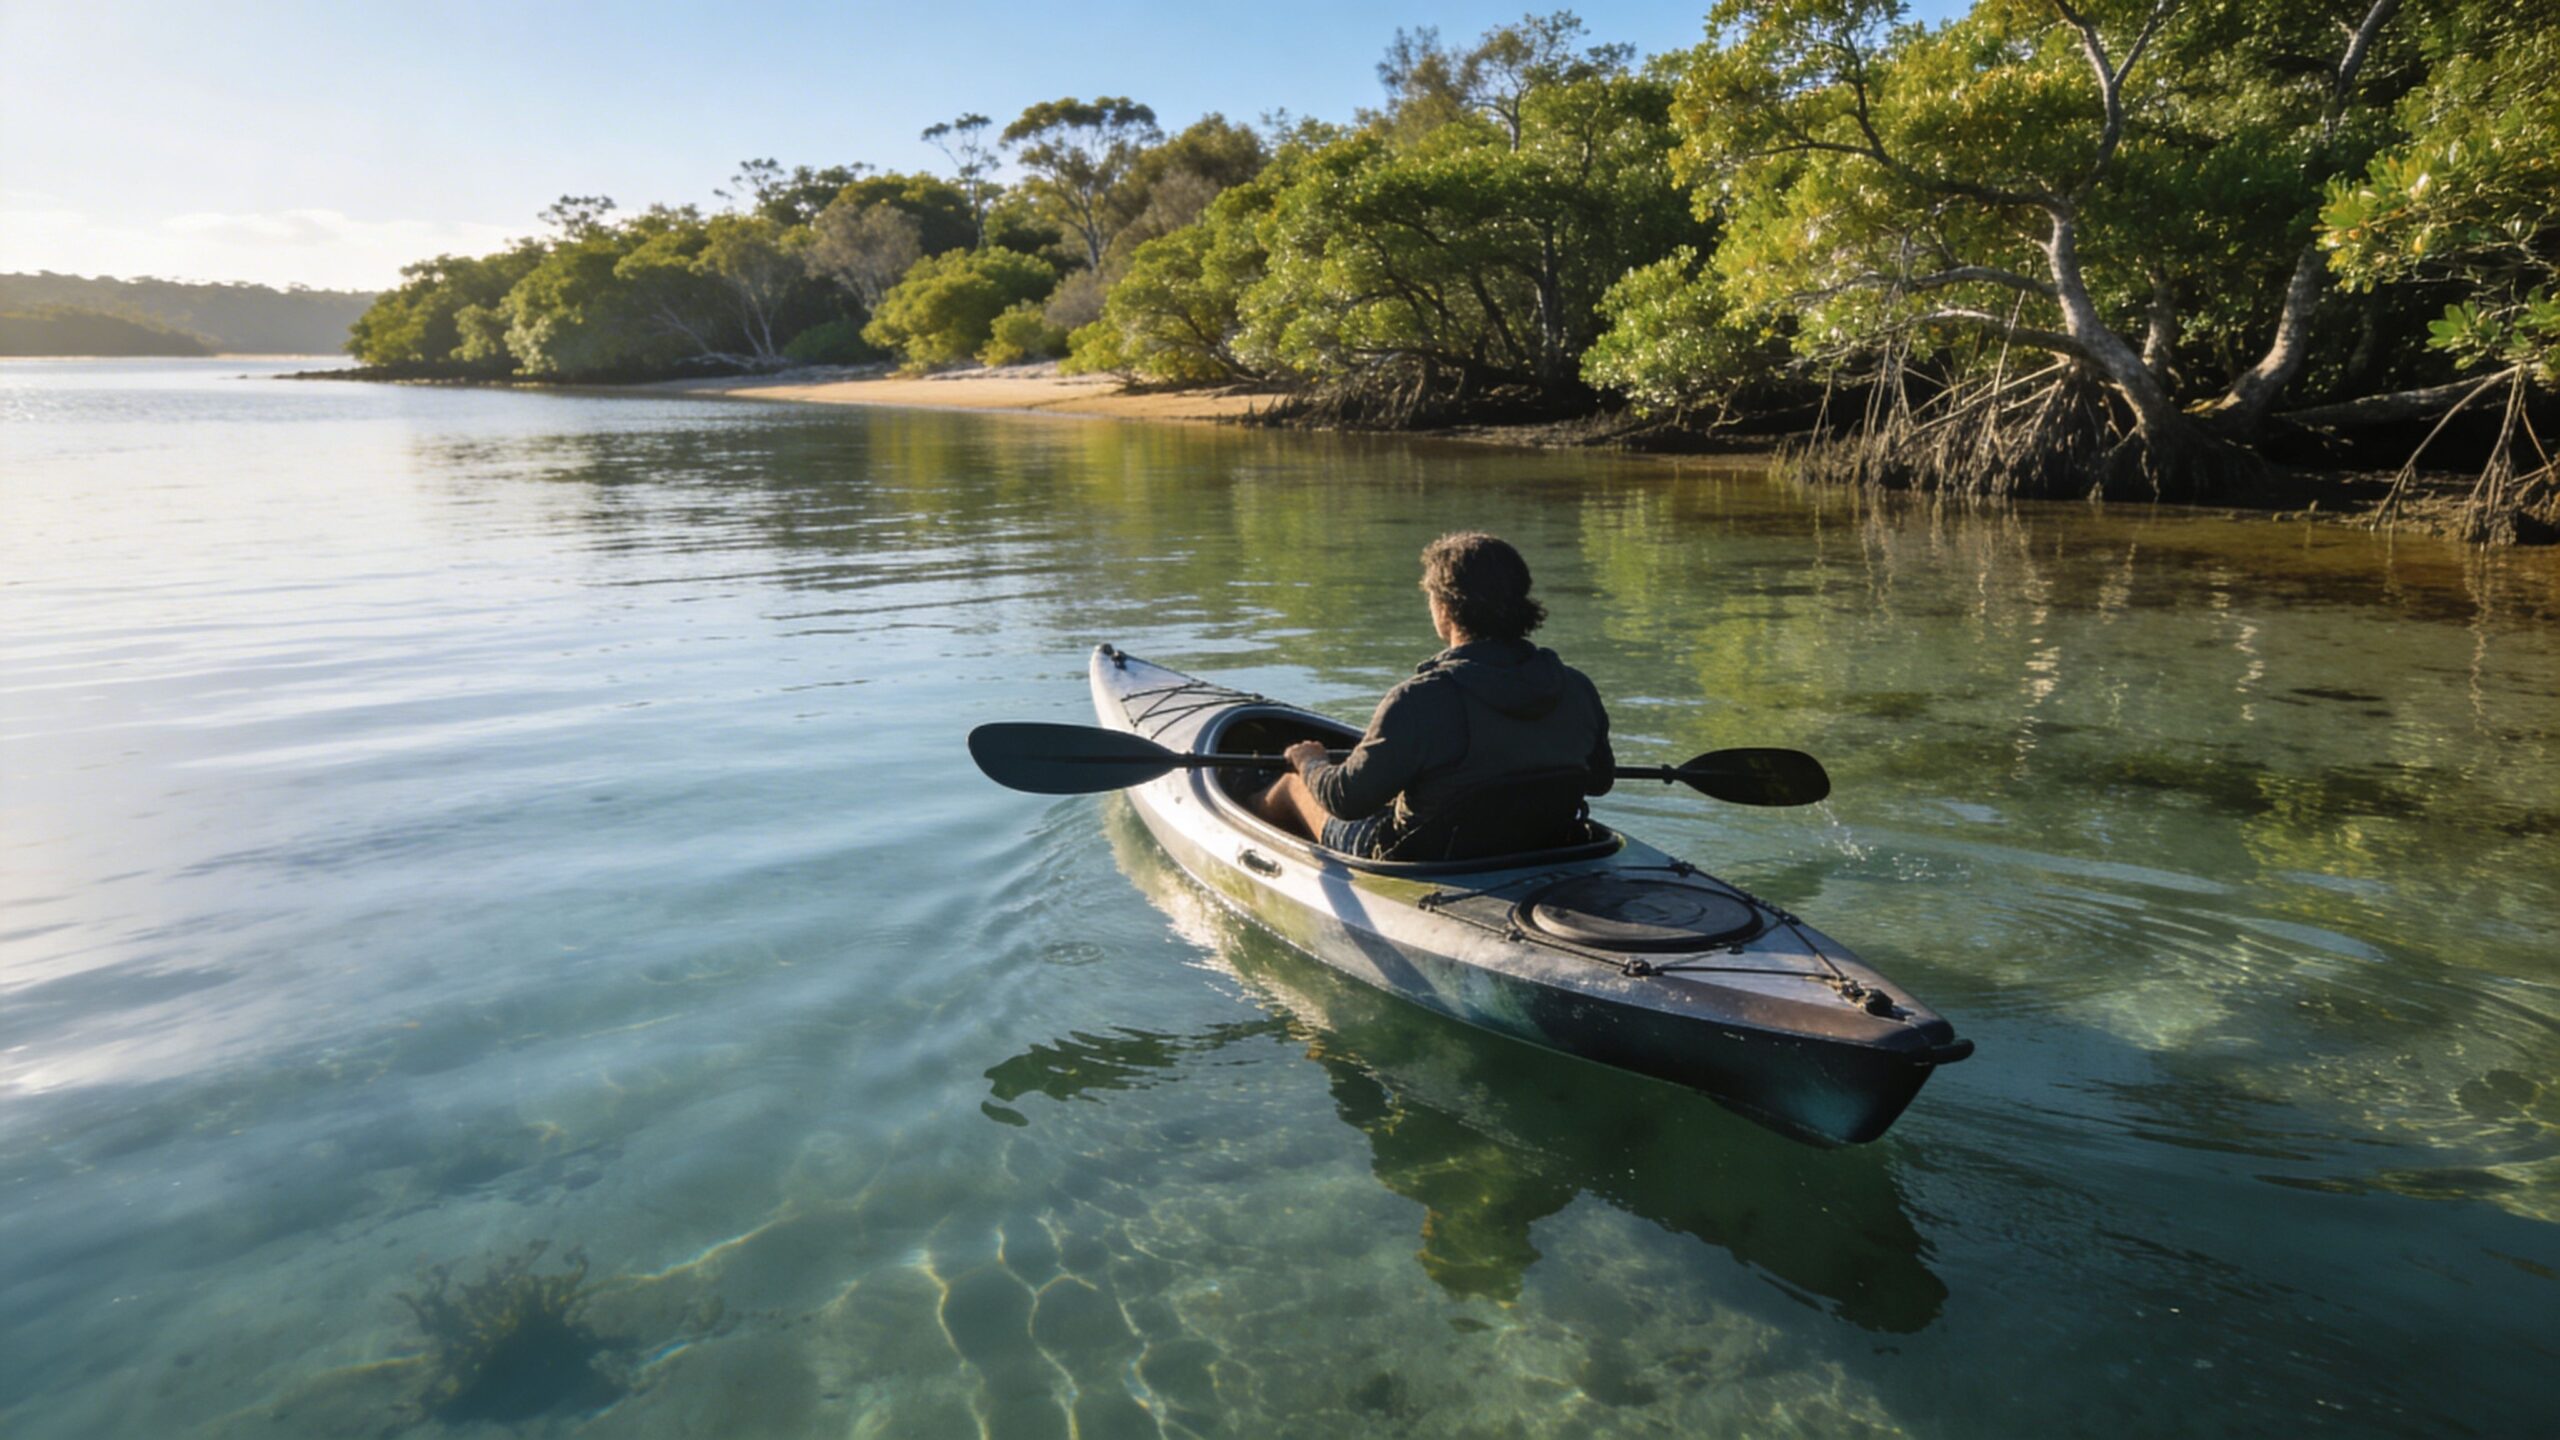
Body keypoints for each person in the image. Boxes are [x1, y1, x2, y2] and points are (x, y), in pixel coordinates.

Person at [1249, 531, 1613, 859]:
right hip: (1543, 844)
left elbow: (1345, 800)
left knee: (1292, 787)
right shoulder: (1576, 686)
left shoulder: (1418, 700)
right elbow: (1599, 780)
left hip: (1426, 857)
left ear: (1444, 608)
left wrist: (1309, 761)